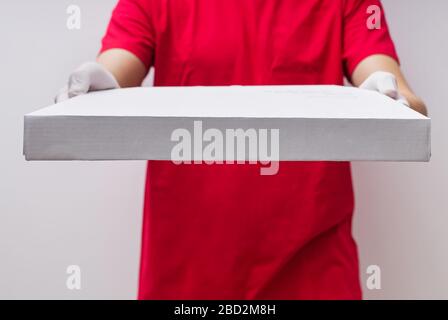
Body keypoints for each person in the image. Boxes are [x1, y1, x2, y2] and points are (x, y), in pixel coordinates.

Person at [56, 0, 427, 299]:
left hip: (314, 270)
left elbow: (388, 78)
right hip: (185, 275)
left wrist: (391, 98)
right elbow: (117, 65)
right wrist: (97, 88)